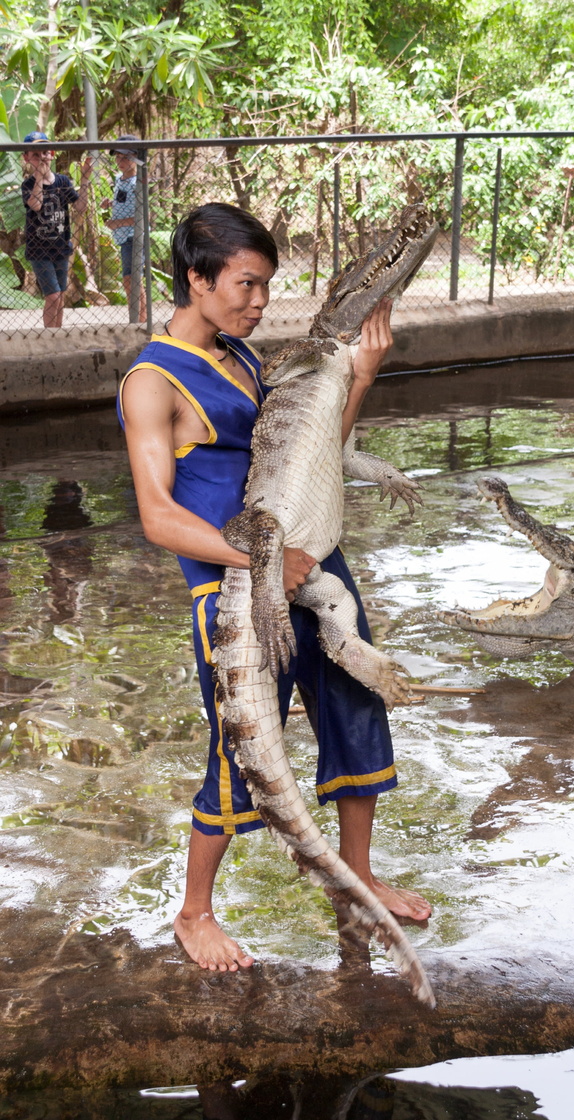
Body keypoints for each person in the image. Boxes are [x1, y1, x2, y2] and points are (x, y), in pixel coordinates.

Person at [117, 202, 431, 974]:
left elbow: (322, 445)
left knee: (357, 708)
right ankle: (194, 913)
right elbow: (158, 517)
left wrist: (362, 372)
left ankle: (356, 876)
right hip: (236, 582)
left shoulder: (243, 359)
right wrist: (264, 562)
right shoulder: (151, 381)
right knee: (241, 746)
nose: (259, 304)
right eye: (246, 286)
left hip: (310, 563)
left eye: (266, 287)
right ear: (197, 279)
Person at [21, 131, 93, 328]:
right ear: (27, 158)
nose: (42, 157)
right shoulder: (28, 184)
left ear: (52, 153)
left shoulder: (62, 182)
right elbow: (35, 205)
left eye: (45, 153)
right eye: (36, 154)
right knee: (52, 295)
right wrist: (39, 178)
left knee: (60, 294)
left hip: (61, 248)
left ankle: (56, 333)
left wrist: (85, 179)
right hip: (39, 251)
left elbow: (80, 207)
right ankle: (48, 333)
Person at [101, 134, 146, 322]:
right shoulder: (120, 179)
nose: (121, 161)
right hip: (123, 236)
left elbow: (141, 217)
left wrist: (116, 223)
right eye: (118, 157)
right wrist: (110, 204)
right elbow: (124, 201)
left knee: (133, 280)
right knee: (129, 280)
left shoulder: (139, 183)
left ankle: (141, 319)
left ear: (136, 158)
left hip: (133, 236)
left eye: (126, 157)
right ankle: (136, 318)